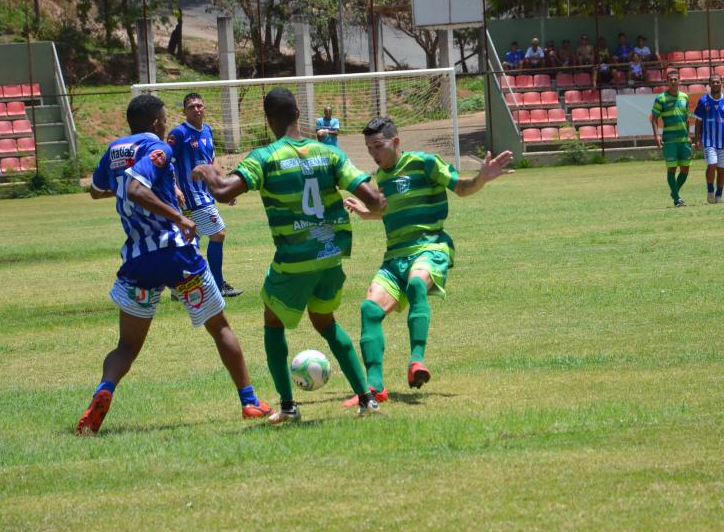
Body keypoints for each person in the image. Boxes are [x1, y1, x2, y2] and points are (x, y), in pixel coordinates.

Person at [77, 94, 272, 435]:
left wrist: (128, 185)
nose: (167, 123)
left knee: (126, 346)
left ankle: (104, 390)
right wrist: (177, 217)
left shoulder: (113, 151)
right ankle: (250, 401)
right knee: (220, 327)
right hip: (176, 252)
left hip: (138, 259)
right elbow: (138, 190)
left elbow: (96, 190)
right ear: (156, 122)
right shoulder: (159, 148)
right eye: (165, 118)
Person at [192, 88, 387, 423]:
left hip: (295, 261)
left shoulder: (265, 157)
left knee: (273, 321)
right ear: (298, 112)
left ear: (268, 120)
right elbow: (371, 198)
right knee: (325, 322)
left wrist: (207, 171)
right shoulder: (328, 153)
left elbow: (224, 191)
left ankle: (287, 406)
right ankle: (367, 400)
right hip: (330, 257)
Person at [342, 117, 514, 405]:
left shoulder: (425, 163)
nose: (374, 153)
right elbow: (391, 210)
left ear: (396, 142)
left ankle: (416, 361)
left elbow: (461, 187)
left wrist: (481, 178)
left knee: (416, 284)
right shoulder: (381, 178)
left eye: (378, 146)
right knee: (369, 309)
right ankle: (374, 388)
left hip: (430, 247)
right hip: (395, 256)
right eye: (369, 148)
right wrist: (366, 213)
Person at [167, 93, 241, 298]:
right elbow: (165, 161)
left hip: (203, 194)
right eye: (191, 107)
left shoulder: (207, 131)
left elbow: (211, 163)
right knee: (219, 233)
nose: (196, 109)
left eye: (199, 105)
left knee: (189, 240)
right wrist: (175, 187)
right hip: (191, 196)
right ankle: (217, 284)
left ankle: (177, 286)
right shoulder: (179, 133)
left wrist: (226, 185)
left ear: (204, 107)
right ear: (184, 111)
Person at [693, 73, 724, 204]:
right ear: (709, 85)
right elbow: (698, 122)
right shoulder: (703, 101)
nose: (715, 84)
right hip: (708, 140)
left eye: (717, 82)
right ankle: (710, 191)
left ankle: (719, 193)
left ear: (722, 83)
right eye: (713, 82)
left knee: (721, 168)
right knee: (712, 164)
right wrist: (696, 139)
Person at [649, 71, 693, 207]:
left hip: (684, 139)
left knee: (685, 169)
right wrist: (656, 135)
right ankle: (677, 199)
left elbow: (686, 118)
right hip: (669, 140)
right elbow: (654, 118)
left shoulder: (685, 97)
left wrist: (689, 135)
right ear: (667, 82)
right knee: (672, 170)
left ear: (679, 80)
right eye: (671, 79)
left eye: (675, 79)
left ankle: (674, 192)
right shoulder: (661, 98)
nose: (673, 81)